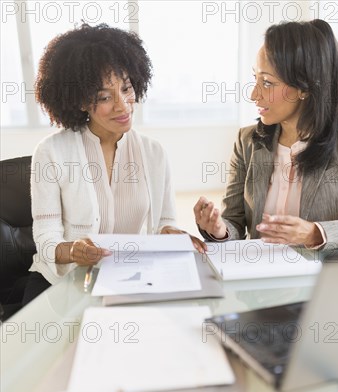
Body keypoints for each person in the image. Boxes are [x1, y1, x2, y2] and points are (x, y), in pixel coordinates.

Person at [25, 23, 205, 303]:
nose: (123, 106)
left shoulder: (154, 153)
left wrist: (170, 234)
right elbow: (46, 239)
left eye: (126, 88)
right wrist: (73, 250)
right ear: (81, 102)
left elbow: (164, 224)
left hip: (125, 279)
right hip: (61, 284)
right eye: (105, 97)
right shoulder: (51, 152)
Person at [194, 19, 338, 249]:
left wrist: (316, 233)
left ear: (304, 88)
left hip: (323, 278)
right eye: (255, 79)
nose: (254, 94)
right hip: (259, 274)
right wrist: (219, 230)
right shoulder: (246, 141)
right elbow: (233, 222)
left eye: (267, 82)